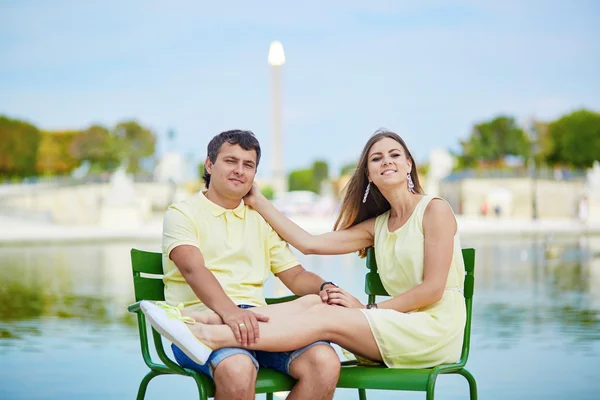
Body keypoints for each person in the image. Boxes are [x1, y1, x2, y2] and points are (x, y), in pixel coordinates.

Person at [142, 129, 466, 374]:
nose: (387, 162)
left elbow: (432, 289)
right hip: (394, 325)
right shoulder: (377, 225)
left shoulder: (434, 210)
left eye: (395, 155)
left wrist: (370, 310)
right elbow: (309, 244)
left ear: (409, 164)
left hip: (432, 330)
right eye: (376, 158)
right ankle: (207, 320)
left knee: (324, 321)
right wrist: (259, 201)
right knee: (315, 302)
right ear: (368, 173)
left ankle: (212, 335)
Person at [158, 129, 340, 400]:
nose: (239, 170)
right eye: (230, 161)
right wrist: (231, 313)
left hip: (260, 323)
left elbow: (295, 275)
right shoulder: (182, 214)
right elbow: (193, 269)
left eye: (248, 165)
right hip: (199, 325)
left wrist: (325, 287)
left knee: (324, 362)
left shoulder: (260, 219)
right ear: (209, 165)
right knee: (238, 368)